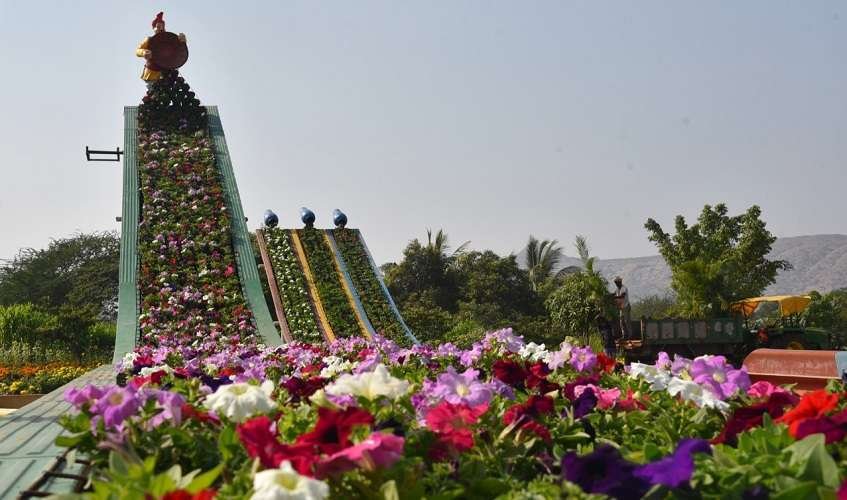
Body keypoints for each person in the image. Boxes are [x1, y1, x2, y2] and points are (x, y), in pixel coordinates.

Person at [136, 12, 186, 85]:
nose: (160, 29)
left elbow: (180, 51)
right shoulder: (149, 40)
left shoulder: (169, 40)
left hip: (168, 74)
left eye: (162, 26)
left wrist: (182, 41)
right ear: (154, 28)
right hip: (152, 75)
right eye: (157, 26)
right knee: (156, 92)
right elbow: (137, 51)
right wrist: (144, 52)